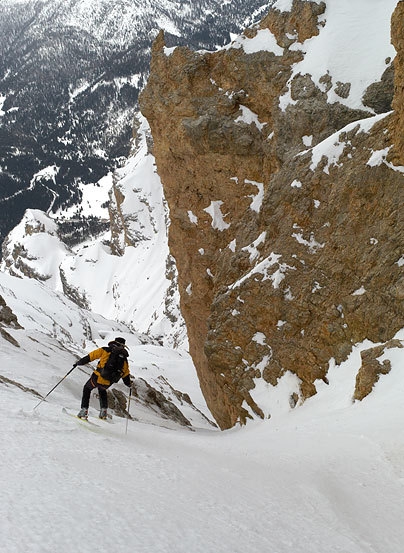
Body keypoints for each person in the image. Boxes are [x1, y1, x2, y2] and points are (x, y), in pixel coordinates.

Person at [73, 337, 131, 419]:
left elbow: (90, 357)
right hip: (108, 382)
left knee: (87, 388)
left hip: (97, 378)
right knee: (102, 390)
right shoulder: (124, 359)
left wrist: (78, 363)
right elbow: (126, 374)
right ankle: (103, 412)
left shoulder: (105, 350)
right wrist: (129, 384)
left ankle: (84, 410)